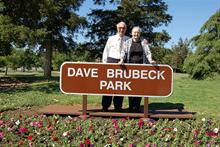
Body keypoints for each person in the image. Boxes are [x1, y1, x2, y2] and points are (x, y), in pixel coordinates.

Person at [120, 26, 156, 113]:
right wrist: (121, 59)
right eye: (134, 32)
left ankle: (137, 107)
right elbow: (123, 52)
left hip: (141, 69)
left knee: (139, 88)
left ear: (140, 34)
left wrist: (150, 60)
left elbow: (148, 53)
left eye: (138, 32)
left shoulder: (144, 42)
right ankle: (131, 107)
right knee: (130, 87)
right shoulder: (127, 42)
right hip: (130, 68)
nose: (136, 34)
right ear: (131, 33)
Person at [102, 21, 129, 112]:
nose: (121, 29)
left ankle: (118, 107)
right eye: (120, 28)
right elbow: (106, 51)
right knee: (109, 86)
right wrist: (104, 65)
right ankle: (105, 107)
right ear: (117, 28)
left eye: (123, 28)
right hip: (111, 61)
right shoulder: (111, 39)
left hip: (122, 63)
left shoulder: (128, 40)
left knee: (120, 86)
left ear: (126, 29)